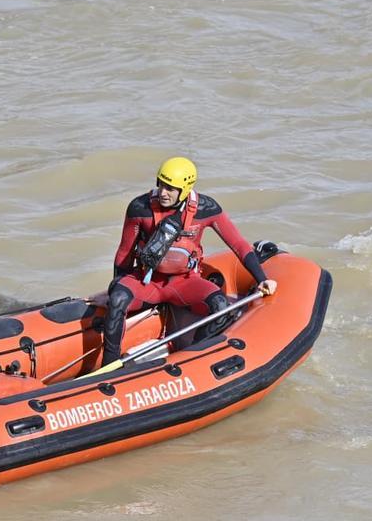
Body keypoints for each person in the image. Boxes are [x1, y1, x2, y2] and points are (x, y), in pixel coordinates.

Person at [100, 156, 278, 366]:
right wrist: (114, 288)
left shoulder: (206, 208)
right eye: (161, 184)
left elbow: (238, 243)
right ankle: (109, 366)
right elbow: (124, 252)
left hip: (184, 281)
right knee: (119, 299)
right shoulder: (140, 208)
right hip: (148, 280)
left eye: (171, 188)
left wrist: (261, 279)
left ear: (185, 189)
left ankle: (189, 360)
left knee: (221, 306)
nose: (163, 192)